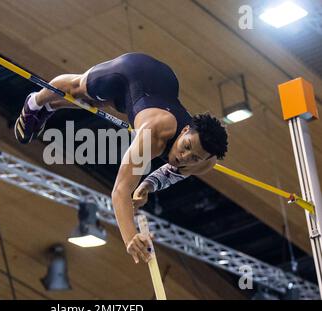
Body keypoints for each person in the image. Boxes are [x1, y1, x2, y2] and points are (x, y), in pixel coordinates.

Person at [14, 52, 228, 264]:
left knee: (97, 104)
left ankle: (51, 106)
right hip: (131, 72)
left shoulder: (206, 162)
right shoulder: (153, 135)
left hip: (151, 92)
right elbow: (121, 190)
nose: (184, 157)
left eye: (194, 158)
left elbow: (172, 174)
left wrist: (147, 186)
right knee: (78, 90)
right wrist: (130, 237)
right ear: (185, 131)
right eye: (186, 146)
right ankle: (36, 102)